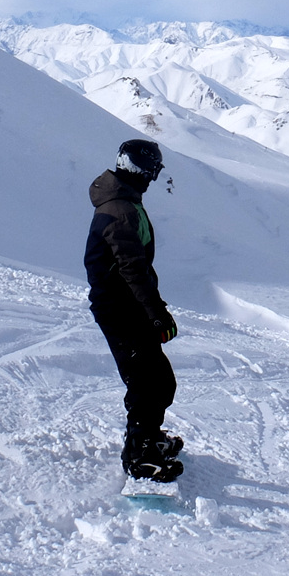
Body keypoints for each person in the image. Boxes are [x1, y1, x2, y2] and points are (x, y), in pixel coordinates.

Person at [85, 138, 183, 481]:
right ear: (140, 170)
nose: (153, 180)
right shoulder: (120, 210)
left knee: (160, 379)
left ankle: (150, 438)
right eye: (152, 172)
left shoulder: (126, 203)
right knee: (146, 379)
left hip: (128, 305)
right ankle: (139, 454)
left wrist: (152, 309)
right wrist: (156, 313)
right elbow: (132, 270)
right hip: (120, 308)